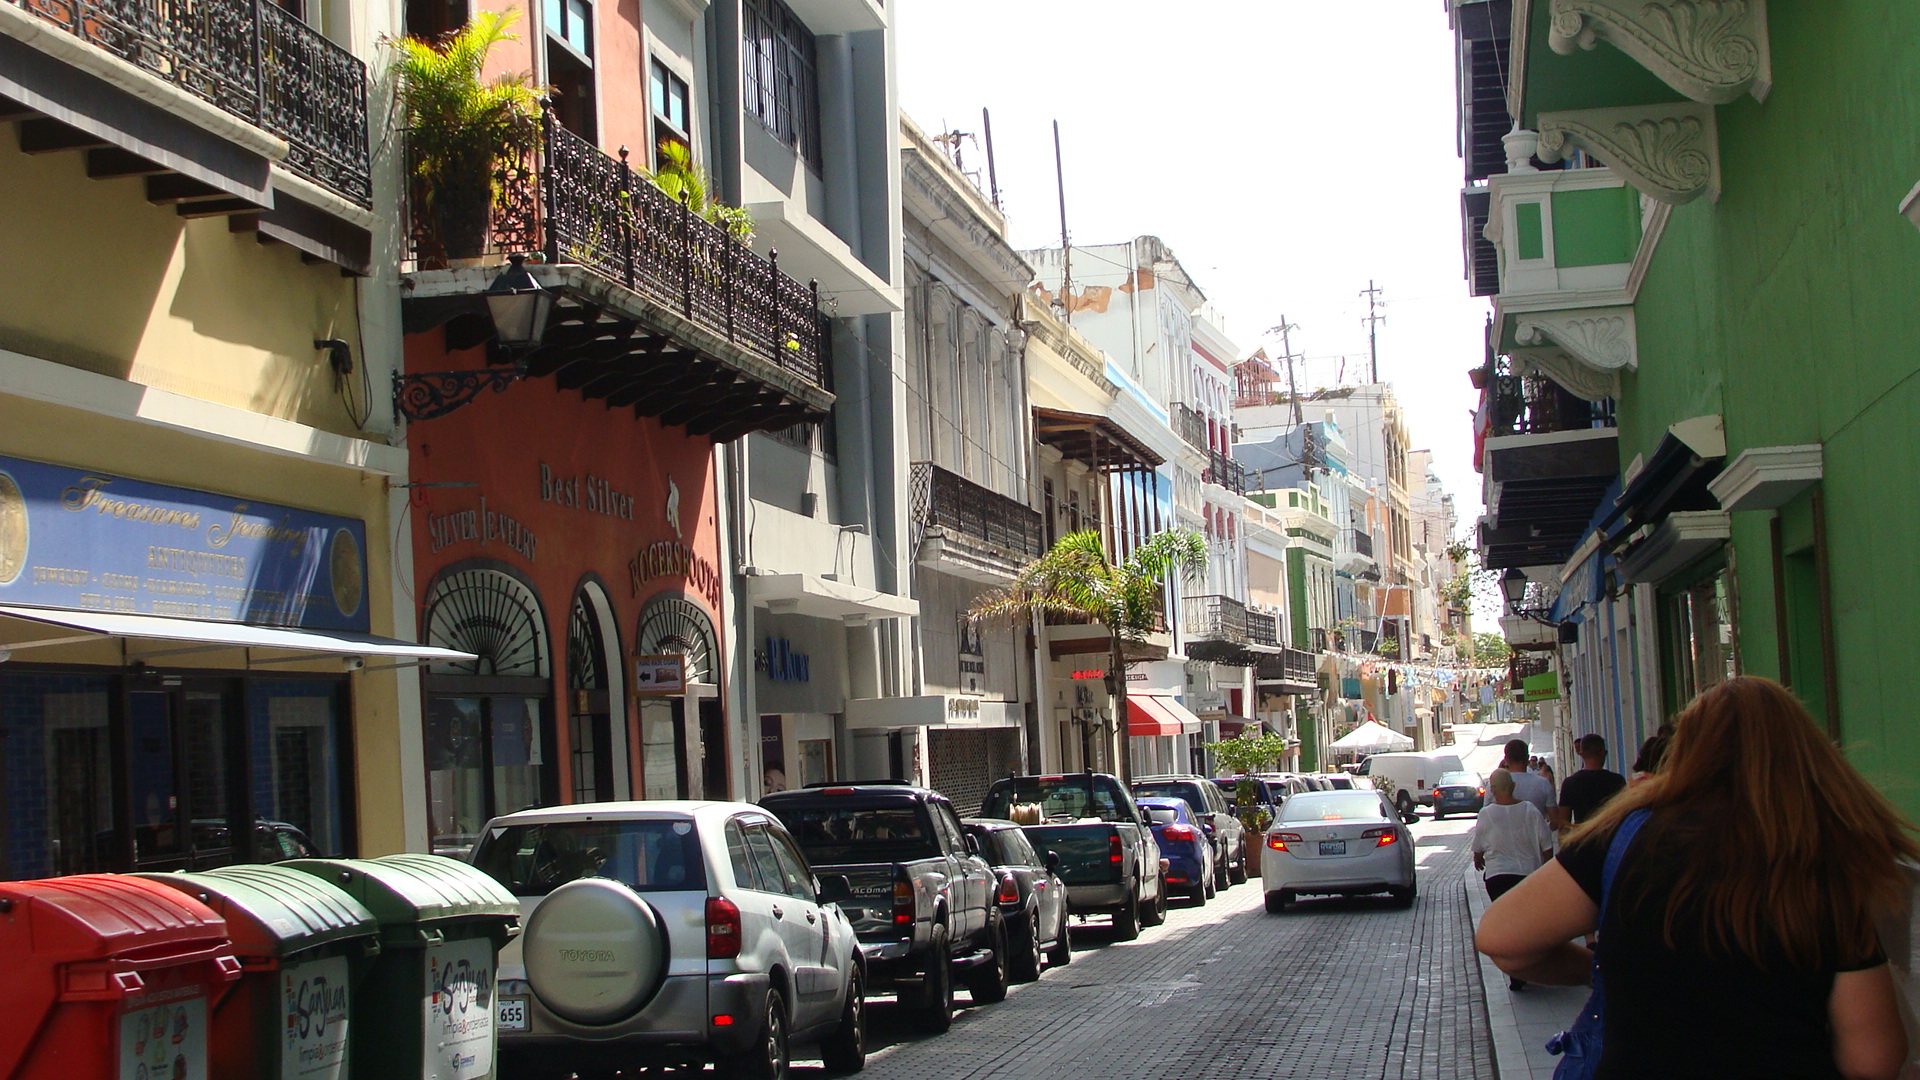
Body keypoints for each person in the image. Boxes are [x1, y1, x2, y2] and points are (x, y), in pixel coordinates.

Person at [1476, 677, 1914, 1080]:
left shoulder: (1626, 838)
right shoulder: (1825, 861)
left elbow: (1503, 941)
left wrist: (1600, 971)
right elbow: (1872, 1060)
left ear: (1686, 751)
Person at [1473, 768, 1554, 992]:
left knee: (1507, 924)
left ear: (1493, 790)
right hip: (1528, 876)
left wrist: (1478, 858)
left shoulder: (1486, 814)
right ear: (1514, 786)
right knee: (1527, 923)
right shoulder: (1530, 811)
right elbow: (1547, 846)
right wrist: (1546, 872)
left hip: (1498, 877)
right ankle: (1531, 962)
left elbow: (1478, 846)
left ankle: (1515, 970)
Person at [1554, 734, 1627, 830]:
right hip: (1610, 839)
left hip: (1582, 839)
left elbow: (1563, 823)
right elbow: (1624, 814)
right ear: (1602, 752)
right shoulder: (1617, 781)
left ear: (1581, 753)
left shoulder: (1569, 783)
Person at [1483, 738, 1554, 816]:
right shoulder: (1543, 783)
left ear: (1506, 760)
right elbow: (1555, 820)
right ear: (1527, 759)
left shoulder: (1494, 784)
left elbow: (1486, 814)